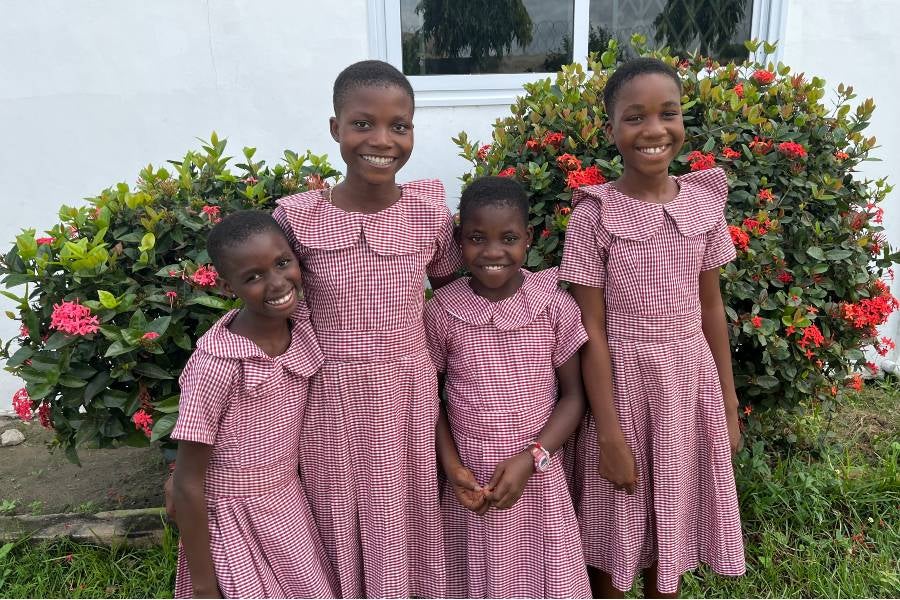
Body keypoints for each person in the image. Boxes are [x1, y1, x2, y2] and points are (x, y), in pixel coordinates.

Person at [272, 60, 460, 598]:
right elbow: (272, 309)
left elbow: (448, 295)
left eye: (398, 126)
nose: (382, 140)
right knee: (336, 511)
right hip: (328, 395)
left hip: (407, 395)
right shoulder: (297, 218)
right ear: (335, 128)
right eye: (362, 124)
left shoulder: (429, 217)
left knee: (407, 508)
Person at [559, 57, 746, 597]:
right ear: (612, 127)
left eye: (668, 113)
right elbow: (587, 326)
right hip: (622, 387)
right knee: (613, 531)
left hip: (689, 387)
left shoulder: (704, 204)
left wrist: (728, 404)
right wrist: (610, 432)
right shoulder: (595, 214)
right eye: (635, 117)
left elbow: (712, 308)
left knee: (673, 529)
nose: (654, 130)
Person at [423, 176, 591, 598]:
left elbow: (573, 397)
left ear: (529, 238)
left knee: (546, 578)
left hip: (537, 477)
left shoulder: (552, 302)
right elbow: (431, 400)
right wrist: (452, 467)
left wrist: (533, 457)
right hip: (472, 481)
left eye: (509, 238)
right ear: (460, 240)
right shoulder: (443, 310)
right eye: (477, 238)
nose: (493, 252)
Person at [171, 211, 336, 598]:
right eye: (253, 276)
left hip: (286, 502)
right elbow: (188, 480)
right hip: (232, 519)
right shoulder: (217, 365)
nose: (277, 283)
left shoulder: (302, 328)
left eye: (283, 263)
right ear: (229, 288)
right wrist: (203, 583)